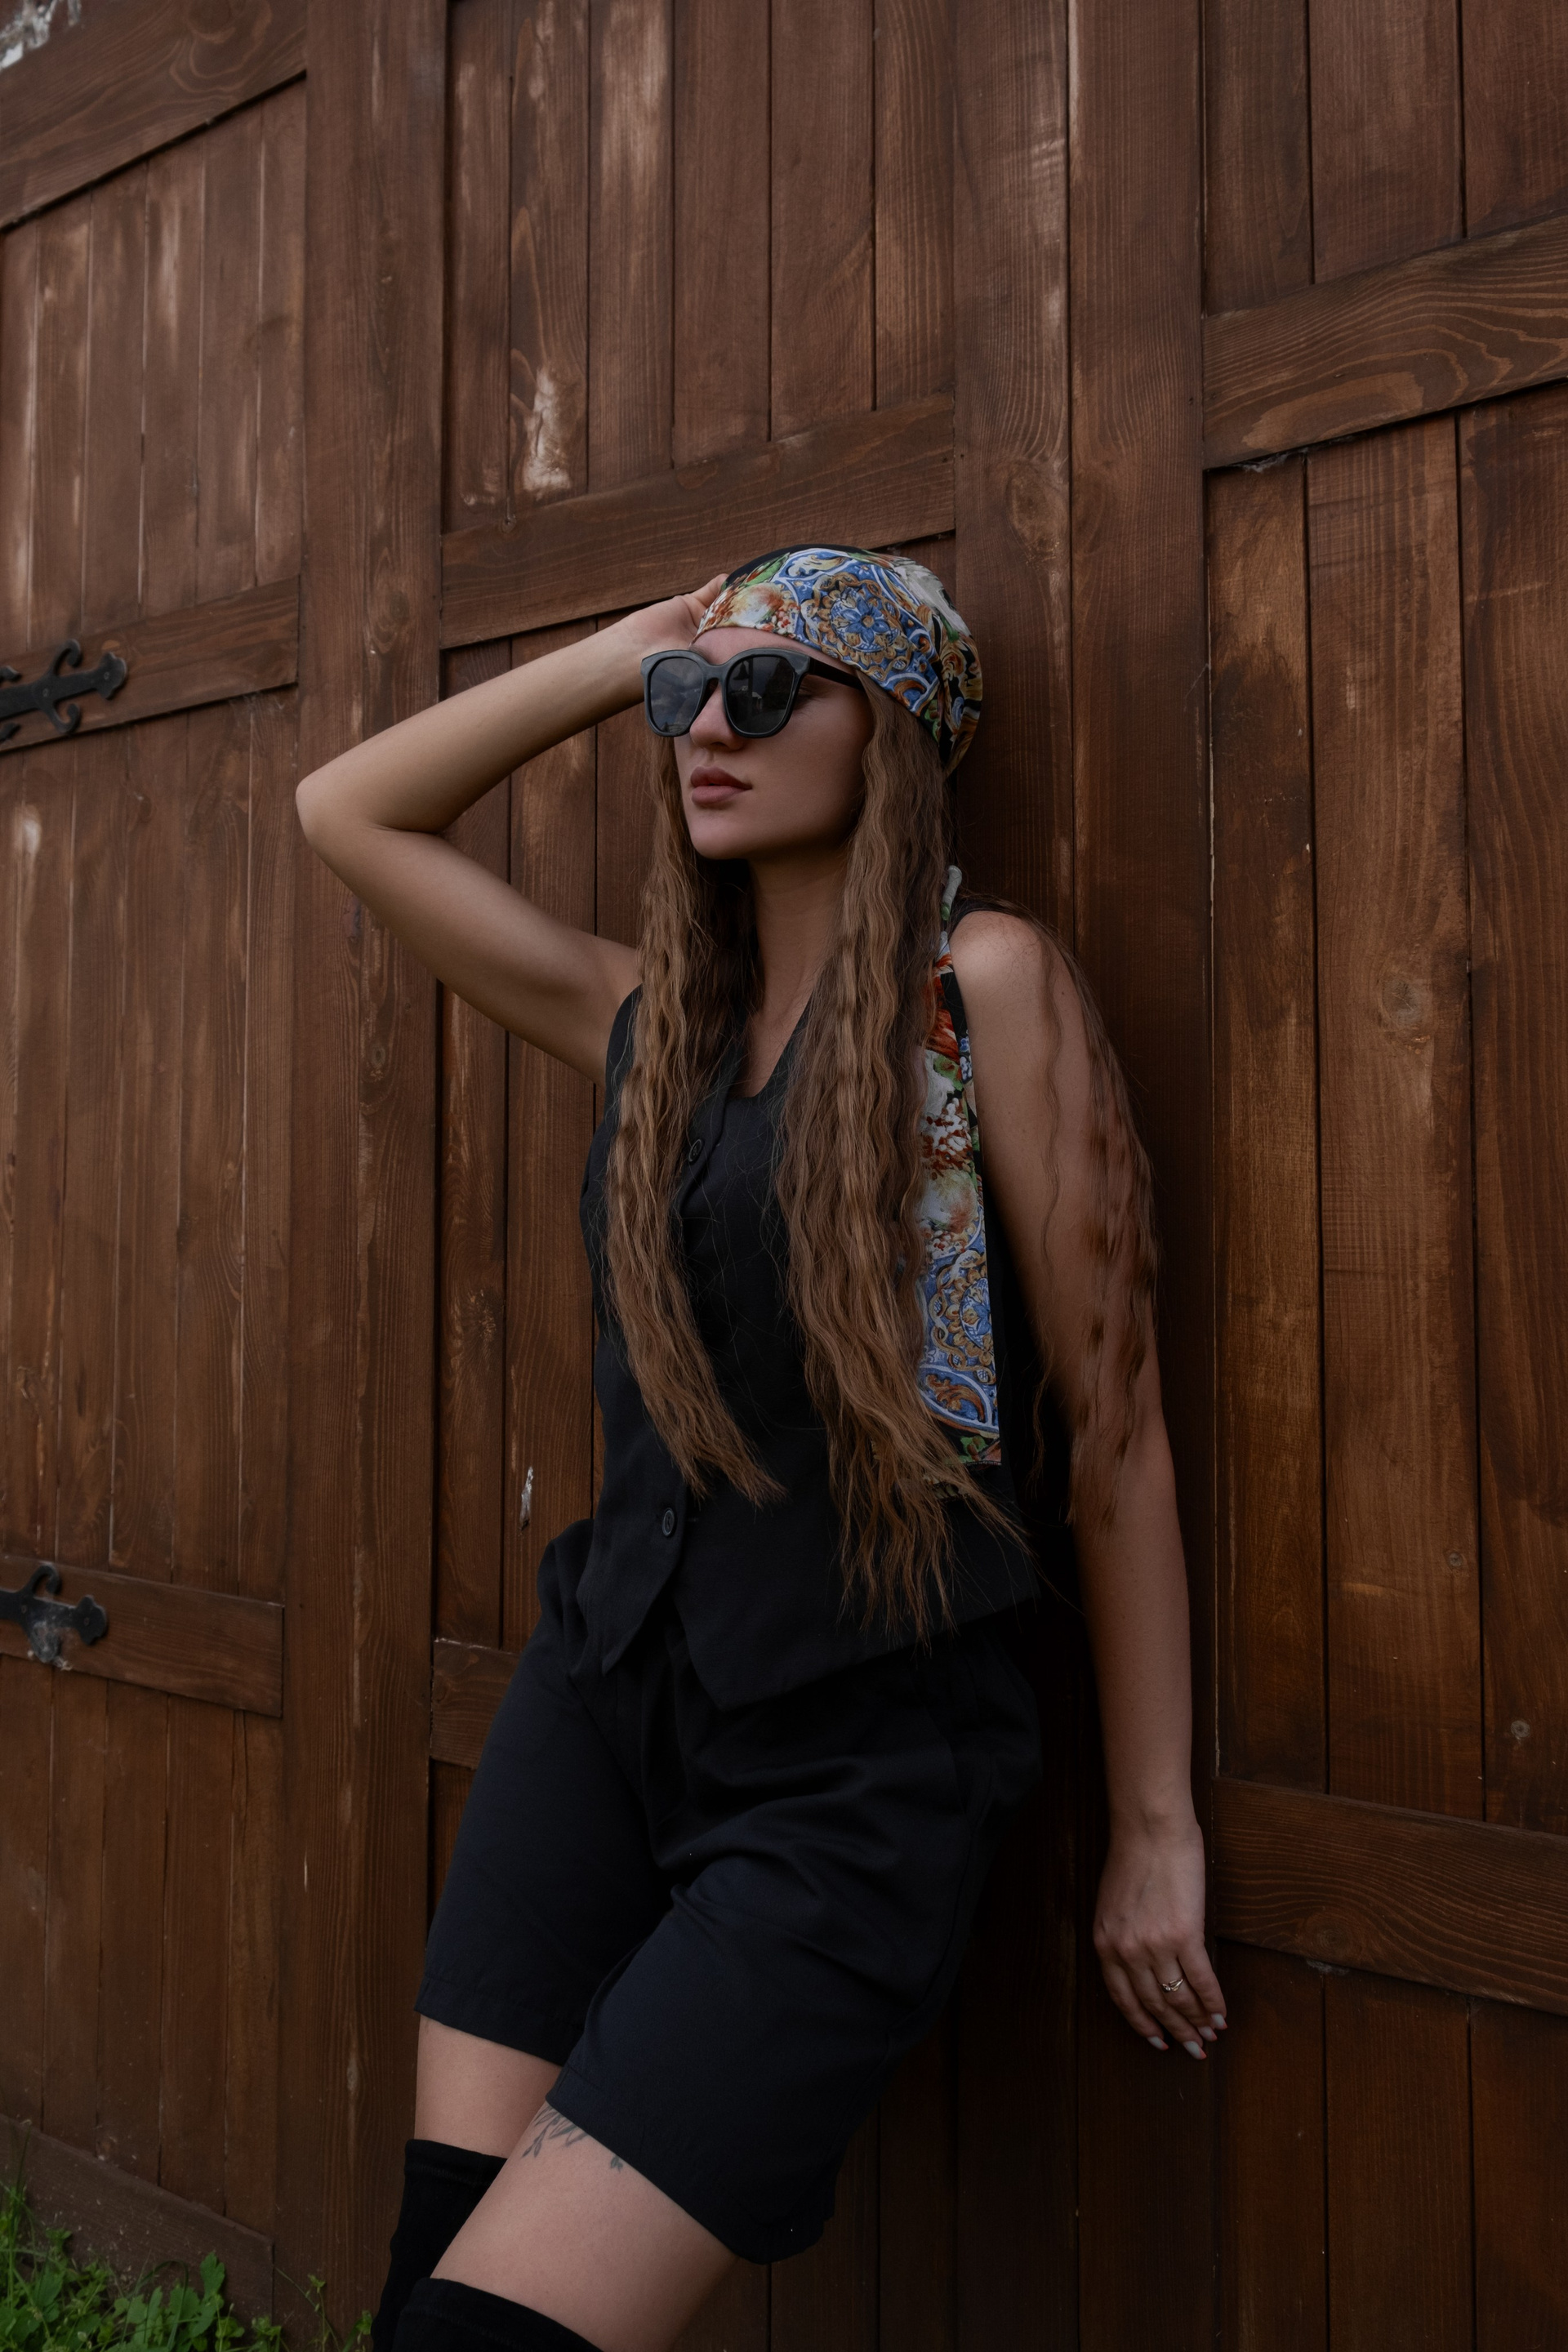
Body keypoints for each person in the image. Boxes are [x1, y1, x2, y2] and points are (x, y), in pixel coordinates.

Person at [295, 546, 1226, 2352]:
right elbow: (349, 813)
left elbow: (1114, 1438)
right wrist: (622, 653)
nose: (708, 728)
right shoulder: (647, 1023)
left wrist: (1155, 1828)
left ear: (894, 734)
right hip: (600, 1701)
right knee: (431, 2269)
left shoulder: (984, 991)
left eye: (772, 689)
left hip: (854, 1772)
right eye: (686, 698)